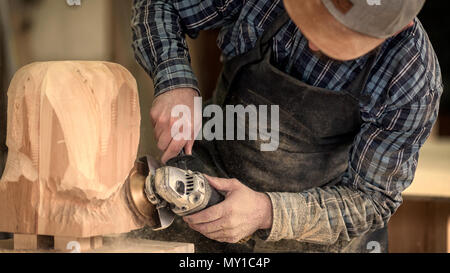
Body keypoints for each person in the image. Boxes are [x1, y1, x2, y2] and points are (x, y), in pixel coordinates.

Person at [131, 0, 442, 252]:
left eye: (340, 35)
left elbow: (370, 200)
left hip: (312, 229)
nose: (312, 38)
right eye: (315, 13)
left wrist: (268, 211)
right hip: (209, 181)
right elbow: (161, 4)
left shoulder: (411, 79)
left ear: (399, 27)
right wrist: (174, 81)